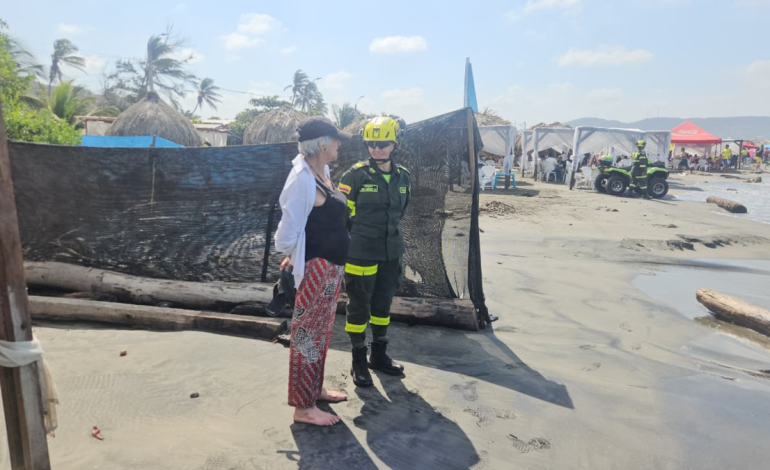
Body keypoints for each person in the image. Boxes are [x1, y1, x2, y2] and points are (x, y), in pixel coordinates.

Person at [274, 116, 352, 426]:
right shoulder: (302, 179)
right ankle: (303, 408)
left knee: (321, 333)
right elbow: (286, 234)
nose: (339, 144)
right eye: (335, 140)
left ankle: (314, 389)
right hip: (316, 269)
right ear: (321, 143)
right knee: (306, 335)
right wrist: (295, 256)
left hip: (330, 269)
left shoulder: (322, 172)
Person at [338, 117, 411, 387]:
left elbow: (400, 212)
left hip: (391, 251)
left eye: (383, 144)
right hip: (361, 251)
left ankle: (379, 354)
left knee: (383, 303)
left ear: (395, 143)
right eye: (371, 144)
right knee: (359, 305)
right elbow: (340, 215)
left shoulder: (404, 176)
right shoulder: (355, 175)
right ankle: (358, 359)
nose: (377, 149)